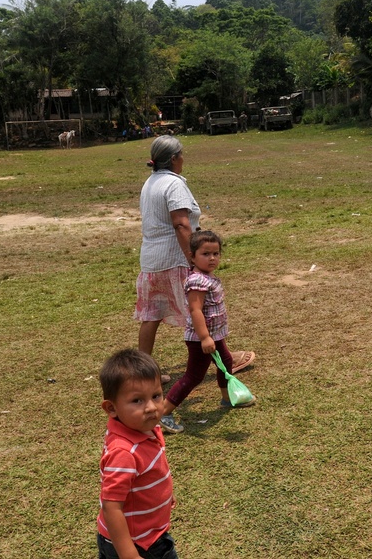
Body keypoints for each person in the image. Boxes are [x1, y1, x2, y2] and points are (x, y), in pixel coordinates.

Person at [135, 136, 254, 383]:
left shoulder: (151, 182)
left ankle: (142, 372)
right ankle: (227, 358)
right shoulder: (173, 184)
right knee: (203, 310)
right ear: (175, 158)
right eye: (182, 155)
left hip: (151, 259)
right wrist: (192, 257)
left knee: (151, 314)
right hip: (176, 257)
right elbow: (180, 223)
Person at [158, 230, 254, 434]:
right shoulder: (197, 281)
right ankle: (163, 414)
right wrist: (204, 338)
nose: (212, 258)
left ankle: (227, 398)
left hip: (214, 335)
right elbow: (195, 310)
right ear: (192, 256)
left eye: (216, 253)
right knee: (193, 376)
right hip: (201, 338)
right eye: (205, 254)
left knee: (226, 362)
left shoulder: (207, 277)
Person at [97, 349, 178, 559]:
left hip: (147, 533)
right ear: (111, 408)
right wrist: (129, 555)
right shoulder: (123, 452)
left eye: (156, 396)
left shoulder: (143, 429)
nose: (151, 407)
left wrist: (163, 493)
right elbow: (111, 506)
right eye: (137, 401)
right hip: (139, 543)